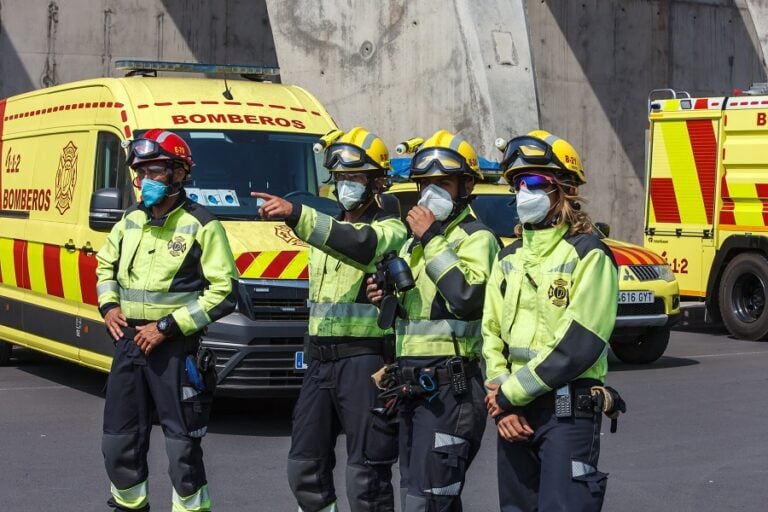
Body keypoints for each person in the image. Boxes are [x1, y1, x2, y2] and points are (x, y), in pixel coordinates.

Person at [252, 127, 407, 512]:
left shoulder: (389, 229)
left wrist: (297, 213)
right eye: (338, 179)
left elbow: (358, 244)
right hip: (320, 363)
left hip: (366, 362)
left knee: (366, 478)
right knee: (304, 468)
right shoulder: (326, 232)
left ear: (378, 181)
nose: (344, 186)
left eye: (354, 178)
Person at [96, 129, 238, 512]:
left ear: (178, 174)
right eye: (141, 174)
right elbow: (104, 267)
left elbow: (224, 292)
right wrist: (109, 306)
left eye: (155, 172)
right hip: (129, 344)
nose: (145, 182)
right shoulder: (128, 221)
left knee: (182, 449)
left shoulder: (202, 225)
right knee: (118, 443)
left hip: (174, 349)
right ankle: (130, 505)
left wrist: (166, 327)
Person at [483, 130, 620, 511]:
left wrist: (509, 395)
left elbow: (579, 343)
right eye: (517, 183)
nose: (523, 191)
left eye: (534, 182)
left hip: (565, 412)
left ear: (565, 190)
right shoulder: (507, 258)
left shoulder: (589, 255)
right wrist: (501, 400)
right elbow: (491, 335)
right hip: (511, 411)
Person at [367, 130, 500, 511]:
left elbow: (466, 299)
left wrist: (433, 238)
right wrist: (384, 298)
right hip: (412, 385)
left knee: (429, 501)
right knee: (419, 496)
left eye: (442, 183)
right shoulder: (412, 244)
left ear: (466, 186)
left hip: (450, 388)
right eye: (425, 185)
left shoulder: (477, 238)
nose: (430, 194)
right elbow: (416, 316)